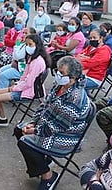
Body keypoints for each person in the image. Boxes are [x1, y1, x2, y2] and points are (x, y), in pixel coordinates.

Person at [15, 56, 90, 189]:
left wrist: (35, 130)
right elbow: (44, 106)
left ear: (73, 78)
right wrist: (33, 122)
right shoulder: (60, 86)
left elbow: (59, 126)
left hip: (66, 136)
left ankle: (48, 176)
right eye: (58, 71)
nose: (58, 75)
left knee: (25, 142)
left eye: (62, 73)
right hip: (50, 126)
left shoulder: (76, 97)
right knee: (19, 129)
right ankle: (43, 164)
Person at [0, 34, 50, 134]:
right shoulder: (32, 58)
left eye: (30, 44)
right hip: (24, 88)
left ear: (37, 45)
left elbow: (29, 83)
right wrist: (17, 84)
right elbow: (24, 76)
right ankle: (2, 119)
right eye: (27, 44)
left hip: (29, 92)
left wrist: (14, 88)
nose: (28, 47)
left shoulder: (38, 62)